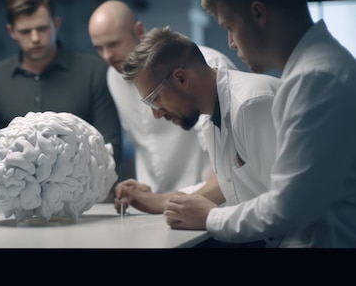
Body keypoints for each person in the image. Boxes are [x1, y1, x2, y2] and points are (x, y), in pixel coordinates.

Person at [163, 0, 356, 248]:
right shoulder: (316, 70)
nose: (230, 43)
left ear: (258, 14)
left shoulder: (316, 78)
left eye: (229, 27)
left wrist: (210, 217)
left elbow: (287, 208)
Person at [118, 26, 281, 248]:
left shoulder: (251, 104)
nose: (156, 114)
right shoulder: (210, 116)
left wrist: (210, 217)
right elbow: (230, 185)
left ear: (181, 78)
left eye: (154, 99)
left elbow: (287, 205)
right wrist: (159, 202)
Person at [88, 0, 238, 194]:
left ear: (139, 30)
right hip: (158, 204)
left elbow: (229, 161)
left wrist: (176, 200)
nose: (107, 56)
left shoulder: (206, 65)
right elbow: (143, 145)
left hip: (211, 198)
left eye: (114, 44)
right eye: (99, 48)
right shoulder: (113, 78)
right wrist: (146, 194)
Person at [0, 0, 127, 185]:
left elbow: (111, 148)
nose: (35, 38)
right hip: (20, 200)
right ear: (11, 32)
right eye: (25, 31)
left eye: (42, 28)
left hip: (87, 201)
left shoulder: (94, 71)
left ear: (56, 24)